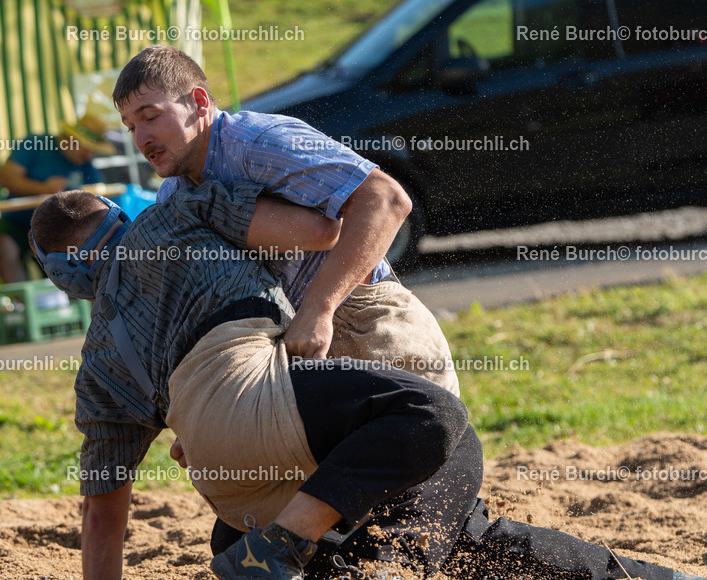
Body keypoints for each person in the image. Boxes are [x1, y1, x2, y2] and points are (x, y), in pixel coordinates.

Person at [29, 181, 707, 580]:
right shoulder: (172, 218)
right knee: (436, 426)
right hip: (264, 403)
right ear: (119, 213)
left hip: (228, 480)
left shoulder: (97, 364)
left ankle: (349, 561)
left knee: (387, 523)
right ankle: (379, 573)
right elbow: (322, 230)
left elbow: (104, 512)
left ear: (64, 282)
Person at [112, 46, 459, 394]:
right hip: (293, 355)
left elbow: (387, 198)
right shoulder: (173, 195)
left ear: (200, 102)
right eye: (131, 127)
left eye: (151, 116)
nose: (141, 139)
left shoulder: (258, 143)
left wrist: (319, 309)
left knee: (425, 440)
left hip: (369, 328)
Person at [0, 114, 112, 283]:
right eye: (85, 146)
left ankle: (68, 302)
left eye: (93, 149)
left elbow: (101, 199)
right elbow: (5, 177)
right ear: (69, 137)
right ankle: (23, 304)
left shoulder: (86, 166)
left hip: (59, 228)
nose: (88, 154)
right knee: (2, 245)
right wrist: (42, 189)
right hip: (18, 222)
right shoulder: (36, 144)